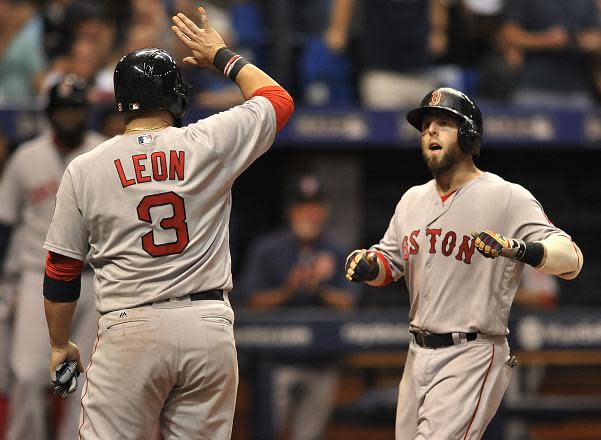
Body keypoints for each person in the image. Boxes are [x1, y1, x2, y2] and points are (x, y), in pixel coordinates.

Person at [42, 5, 293, 439]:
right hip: (207, 325)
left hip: (131, 325)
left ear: (120, 102)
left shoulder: (86, 167)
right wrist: (221, 55)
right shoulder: (208, 141)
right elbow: (277, 100)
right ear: (177, 96)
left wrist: (60, 344)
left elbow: (61, 272)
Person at [344, 87, 583, 439]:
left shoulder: (504, 196)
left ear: (470, 134)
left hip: (471, 351)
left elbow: (571, 259)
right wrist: (366, 264)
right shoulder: (412, 199)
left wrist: (517, 249)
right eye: (426, 125)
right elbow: (388, 263)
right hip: (416, 352)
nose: (430, 131)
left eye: (444, 123)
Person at [0, 75, 102, 440]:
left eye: (75, 110)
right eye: (63, 110)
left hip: (94, 277)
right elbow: (5, 223)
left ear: (86, 112)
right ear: (50, 113)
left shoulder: (104, 152)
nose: (69, 117)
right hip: (34, 276)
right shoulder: (26, 157)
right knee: (27, 374)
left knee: (89, 384)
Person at [240, 174, 356, 440]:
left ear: (324, 211)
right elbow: (250, 302)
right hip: (276, 362)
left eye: (315, 206)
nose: (310, 213)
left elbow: (349, 302)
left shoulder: (337, 250)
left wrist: (318, 289)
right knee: (267, 433)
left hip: (322, 361)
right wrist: (287, 290)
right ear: (292, 210)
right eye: (303, 205)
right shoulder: (268, 248)